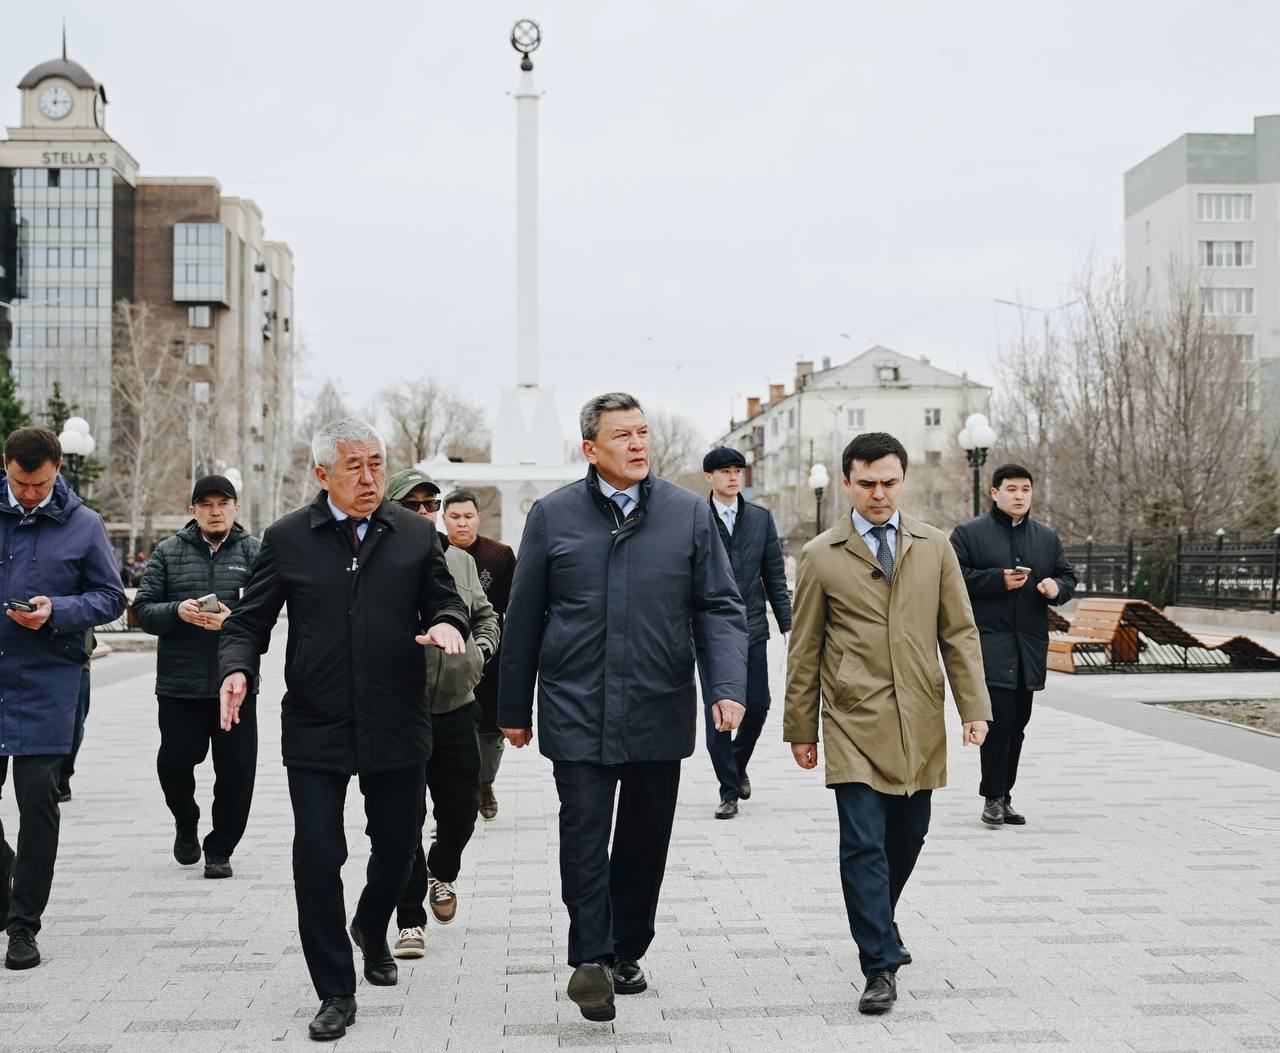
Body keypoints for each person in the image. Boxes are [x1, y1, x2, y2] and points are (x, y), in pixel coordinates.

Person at [498, 393, 747, 1023]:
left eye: (643, 432)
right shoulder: (552, 517)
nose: (638, 444)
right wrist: (512, 706)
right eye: (622, 436)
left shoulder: (689, 515)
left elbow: (718, 605)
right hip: (575, 701)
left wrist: (726, 686)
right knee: (583, 831)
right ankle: (591, 957)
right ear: (590, 449)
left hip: (658, 701)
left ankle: (626, 948)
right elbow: (522, 614)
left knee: (644, 839)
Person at [217, 419, 469, 1042]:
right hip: (316, 722)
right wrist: (236, 670)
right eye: (354, 466)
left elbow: (445, 598)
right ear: (322, 473)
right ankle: (334, 989)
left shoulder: (413, 533)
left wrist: (445, 623)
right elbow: (249, 622)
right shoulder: (287, 539)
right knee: (317, 855)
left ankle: (370, 924)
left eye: (377, 464)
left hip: (396, 716)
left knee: (397, 846)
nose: (369, 478)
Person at [783, 431, 990, 1015]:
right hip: (851, 717)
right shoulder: (823, 554)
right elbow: (804, 650)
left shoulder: (934, 547)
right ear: (847, 482)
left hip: (920, 715)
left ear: (903, 481)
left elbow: (959, 633)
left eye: (889, 482)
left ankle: (881, 918)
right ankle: (878, 962)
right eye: (867, 483)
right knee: (862, 844)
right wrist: (802, 728)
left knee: (909, 834)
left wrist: (974, 708)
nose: (879, 494)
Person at [0, 426, 126, 970]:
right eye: (21, 483)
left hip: (47, 682)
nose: (30, 494)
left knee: (37, 804)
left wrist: (58, 611)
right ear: (6, 466)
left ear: (59, 470)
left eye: (41, 484)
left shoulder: (84, 523)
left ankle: (23, 926)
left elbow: (111, 597)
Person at [386, 469, 499, 960]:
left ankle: (443, 873)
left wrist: (480, 653)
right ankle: (409, 920)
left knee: (459, 812)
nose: (424, 513)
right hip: (398, 710)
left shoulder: (459, 561)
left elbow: (487, 616)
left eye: (430, 503)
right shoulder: (374, 563)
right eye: (412, 505)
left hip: (456, 705)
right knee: (402, 820)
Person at [132, 475, 262, 878]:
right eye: (205, 504)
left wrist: (233, 621)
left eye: (223, 503)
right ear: (193, 511)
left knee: (237, 773)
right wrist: (177, 612)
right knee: (174, 764)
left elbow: (265, 614)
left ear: (236, 507)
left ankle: (220, 848)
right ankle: (186, 821)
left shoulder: (256, 552)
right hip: (179, 686)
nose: (215, 510)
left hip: (235, 682)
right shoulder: (168, 552)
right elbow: (142, 610)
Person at [949, 464, 1076, 827]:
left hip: (1030, 645)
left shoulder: (1046, 537)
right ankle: (992, 797)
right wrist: (995, 581)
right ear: (994, 492)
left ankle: (1004, 796)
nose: (1019, 496)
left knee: (1019, 723)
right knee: (998, 721)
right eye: (1011, 489)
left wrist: (1057, 589)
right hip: (990, 642)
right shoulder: (970, 534)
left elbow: (1067, 575)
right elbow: (951, 577)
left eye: (1025, 489)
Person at [698, 446, 791, 819]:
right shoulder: (695, 517)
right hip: (709, 631)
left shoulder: (759, 518)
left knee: (759, 704)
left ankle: (735, 765)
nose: (733, 476)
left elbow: (774, 574)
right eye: (724, 471)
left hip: (752, 625)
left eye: (738, 470)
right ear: (710, 477)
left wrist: (787, 623)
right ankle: (729, 790)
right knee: (719, 710)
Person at [441, 488, 515, 822]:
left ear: (478, 517)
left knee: (489, 733)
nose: (461, 523)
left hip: (491, 657)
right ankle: (462, 792)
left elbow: (512, 609)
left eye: (468, 516)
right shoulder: (433, 555)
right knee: (452, 730)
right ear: (444, 519)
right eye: (454, 517)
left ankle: (486, 784)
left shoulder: (500, 556)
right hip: (445, 661)